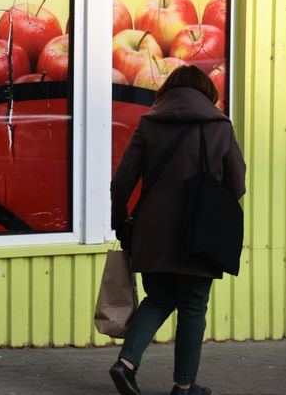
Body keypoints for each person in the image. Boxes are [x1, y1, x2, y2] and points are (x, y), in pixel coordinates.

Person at [108, 65, 246, 395]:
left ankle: (125, 363)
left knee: (158, 298)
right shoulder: (219, 126)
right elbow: (237, 184)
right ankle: (183, 386)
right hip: (200, 231)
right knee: (193, 305)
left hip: (151, 232)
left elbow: (123, 181)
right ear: (207, 94)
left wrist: (119, 222)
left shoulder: (149, 123)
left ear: (168, 91)